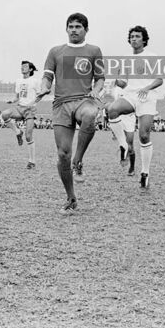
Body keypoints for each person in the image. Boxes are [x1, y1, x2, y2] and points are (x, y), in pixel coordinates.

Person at [34, 13, 105, 214]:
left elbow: (100, 78)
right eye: (71, 26)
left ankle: (79, 161)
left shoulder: (94, 51)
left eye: (78, 27)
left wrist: (96, 90)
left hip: (84, 99)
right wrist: (44, 87)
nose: (74, 30)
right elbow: (47, 76)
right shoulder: (55, 51)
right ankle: (71, 197)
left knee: (90, 115)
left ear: (86, 30)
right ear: (66, 29)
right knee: (62, 154)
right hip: (61, 105)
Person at [106, 25, 163, 190]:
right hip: (131, 95)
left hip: (147, 97)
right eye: (132, 36)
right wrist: (117, 80)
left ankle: (145, 173)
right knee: (112, 109)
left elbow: (159, 80)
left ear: (144, 40)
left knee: (144, 136)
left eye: (137, 36)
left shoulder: (152, 57)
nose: (134, 39)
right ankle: (123, 145)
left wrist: (146, 88)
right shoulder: (125, 59)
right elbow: (124, 83)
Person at [1, 61, 40, 169]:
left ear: (31, 69)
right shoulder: (18, 81)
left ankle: (32, 161)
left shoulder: (35, 81)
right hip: (19, 107)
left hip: (30, 110)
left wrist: (33, 103)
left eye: (25, 66)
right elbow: (17, 96)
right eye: (21, 66)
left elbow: (39, 95)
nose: (22, 68)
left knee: (28, 136)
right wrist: (12, 100)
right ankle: (18, 132)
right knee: (4, 114)